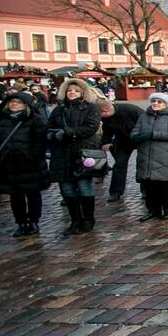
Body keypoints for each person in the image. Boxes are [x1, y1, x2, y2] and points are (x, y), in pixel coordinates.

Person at [48, 78, 102, 235]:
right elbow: (49, 127)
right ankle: (75, 220)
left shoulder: (90, 108)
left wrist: (68, 132)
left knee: (84, 186)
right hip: (62, 154)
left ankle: (88, 219)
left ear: (83, 93)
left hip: (82, 152)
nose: (72, 93)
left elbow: (91, 128)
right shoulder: (58, 109)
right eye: (70, 90)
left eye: (76, 91)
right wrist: (52, 135)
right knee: (67, 188)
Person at [0, 91, 49, 236]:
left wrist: (34, 156)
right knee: (16, 195)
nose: (14, 104)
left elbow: (41, 142)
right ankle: (20, 222)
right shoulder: (1, 119)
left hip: (29, 163)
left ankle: (34, 221)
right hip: (8, 163)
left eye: (18, 102)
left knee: (33, 193)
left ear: (25, 105)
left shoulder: (35, 120)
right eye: (12, 101)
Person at [129, 92, 168, 221]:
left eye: (159, 102)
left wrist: (153, 134)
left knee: (166, 185)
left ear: (166, 104)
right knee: (149, 185)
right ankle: (153, 210)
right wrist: (137, 137)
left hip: (165, 156)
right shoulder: (143, 117)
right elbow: (134, 133)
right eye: (154, 101)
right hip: (146, 156)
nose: (156, 104)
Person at [96, 99, 142, 202]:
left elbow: (146, 123)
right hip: (122, 141)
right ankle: (116, 192)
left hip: (140, 139)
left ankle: (146, 190)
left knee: (143, 164)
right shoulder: (106, 118)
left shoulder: (131, 110)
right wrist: (106, 141)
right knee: (119, 165)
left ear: (105, 110)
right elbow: (107, 130)